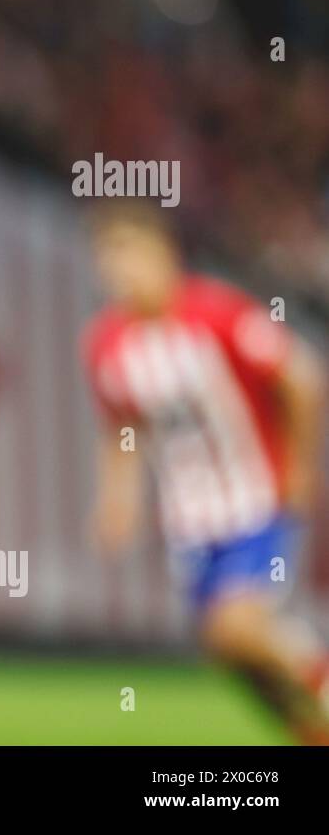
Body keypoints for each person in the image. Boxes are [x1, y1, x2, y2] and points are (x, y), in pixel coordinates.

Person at [83, 201, 329, 744]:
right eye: (108, 258)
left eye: (129, 254)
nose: (118, 271)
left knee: (235, 627)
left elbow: (303, 376)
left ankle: (321, 676)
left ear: (164, 253)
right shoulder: (107, 345)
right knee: (230, 654)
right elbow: (119, 433)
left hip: (254, 499)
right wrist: (116, 500)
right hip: (190, 523)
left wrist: (299, 469)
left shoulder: (218, 313)